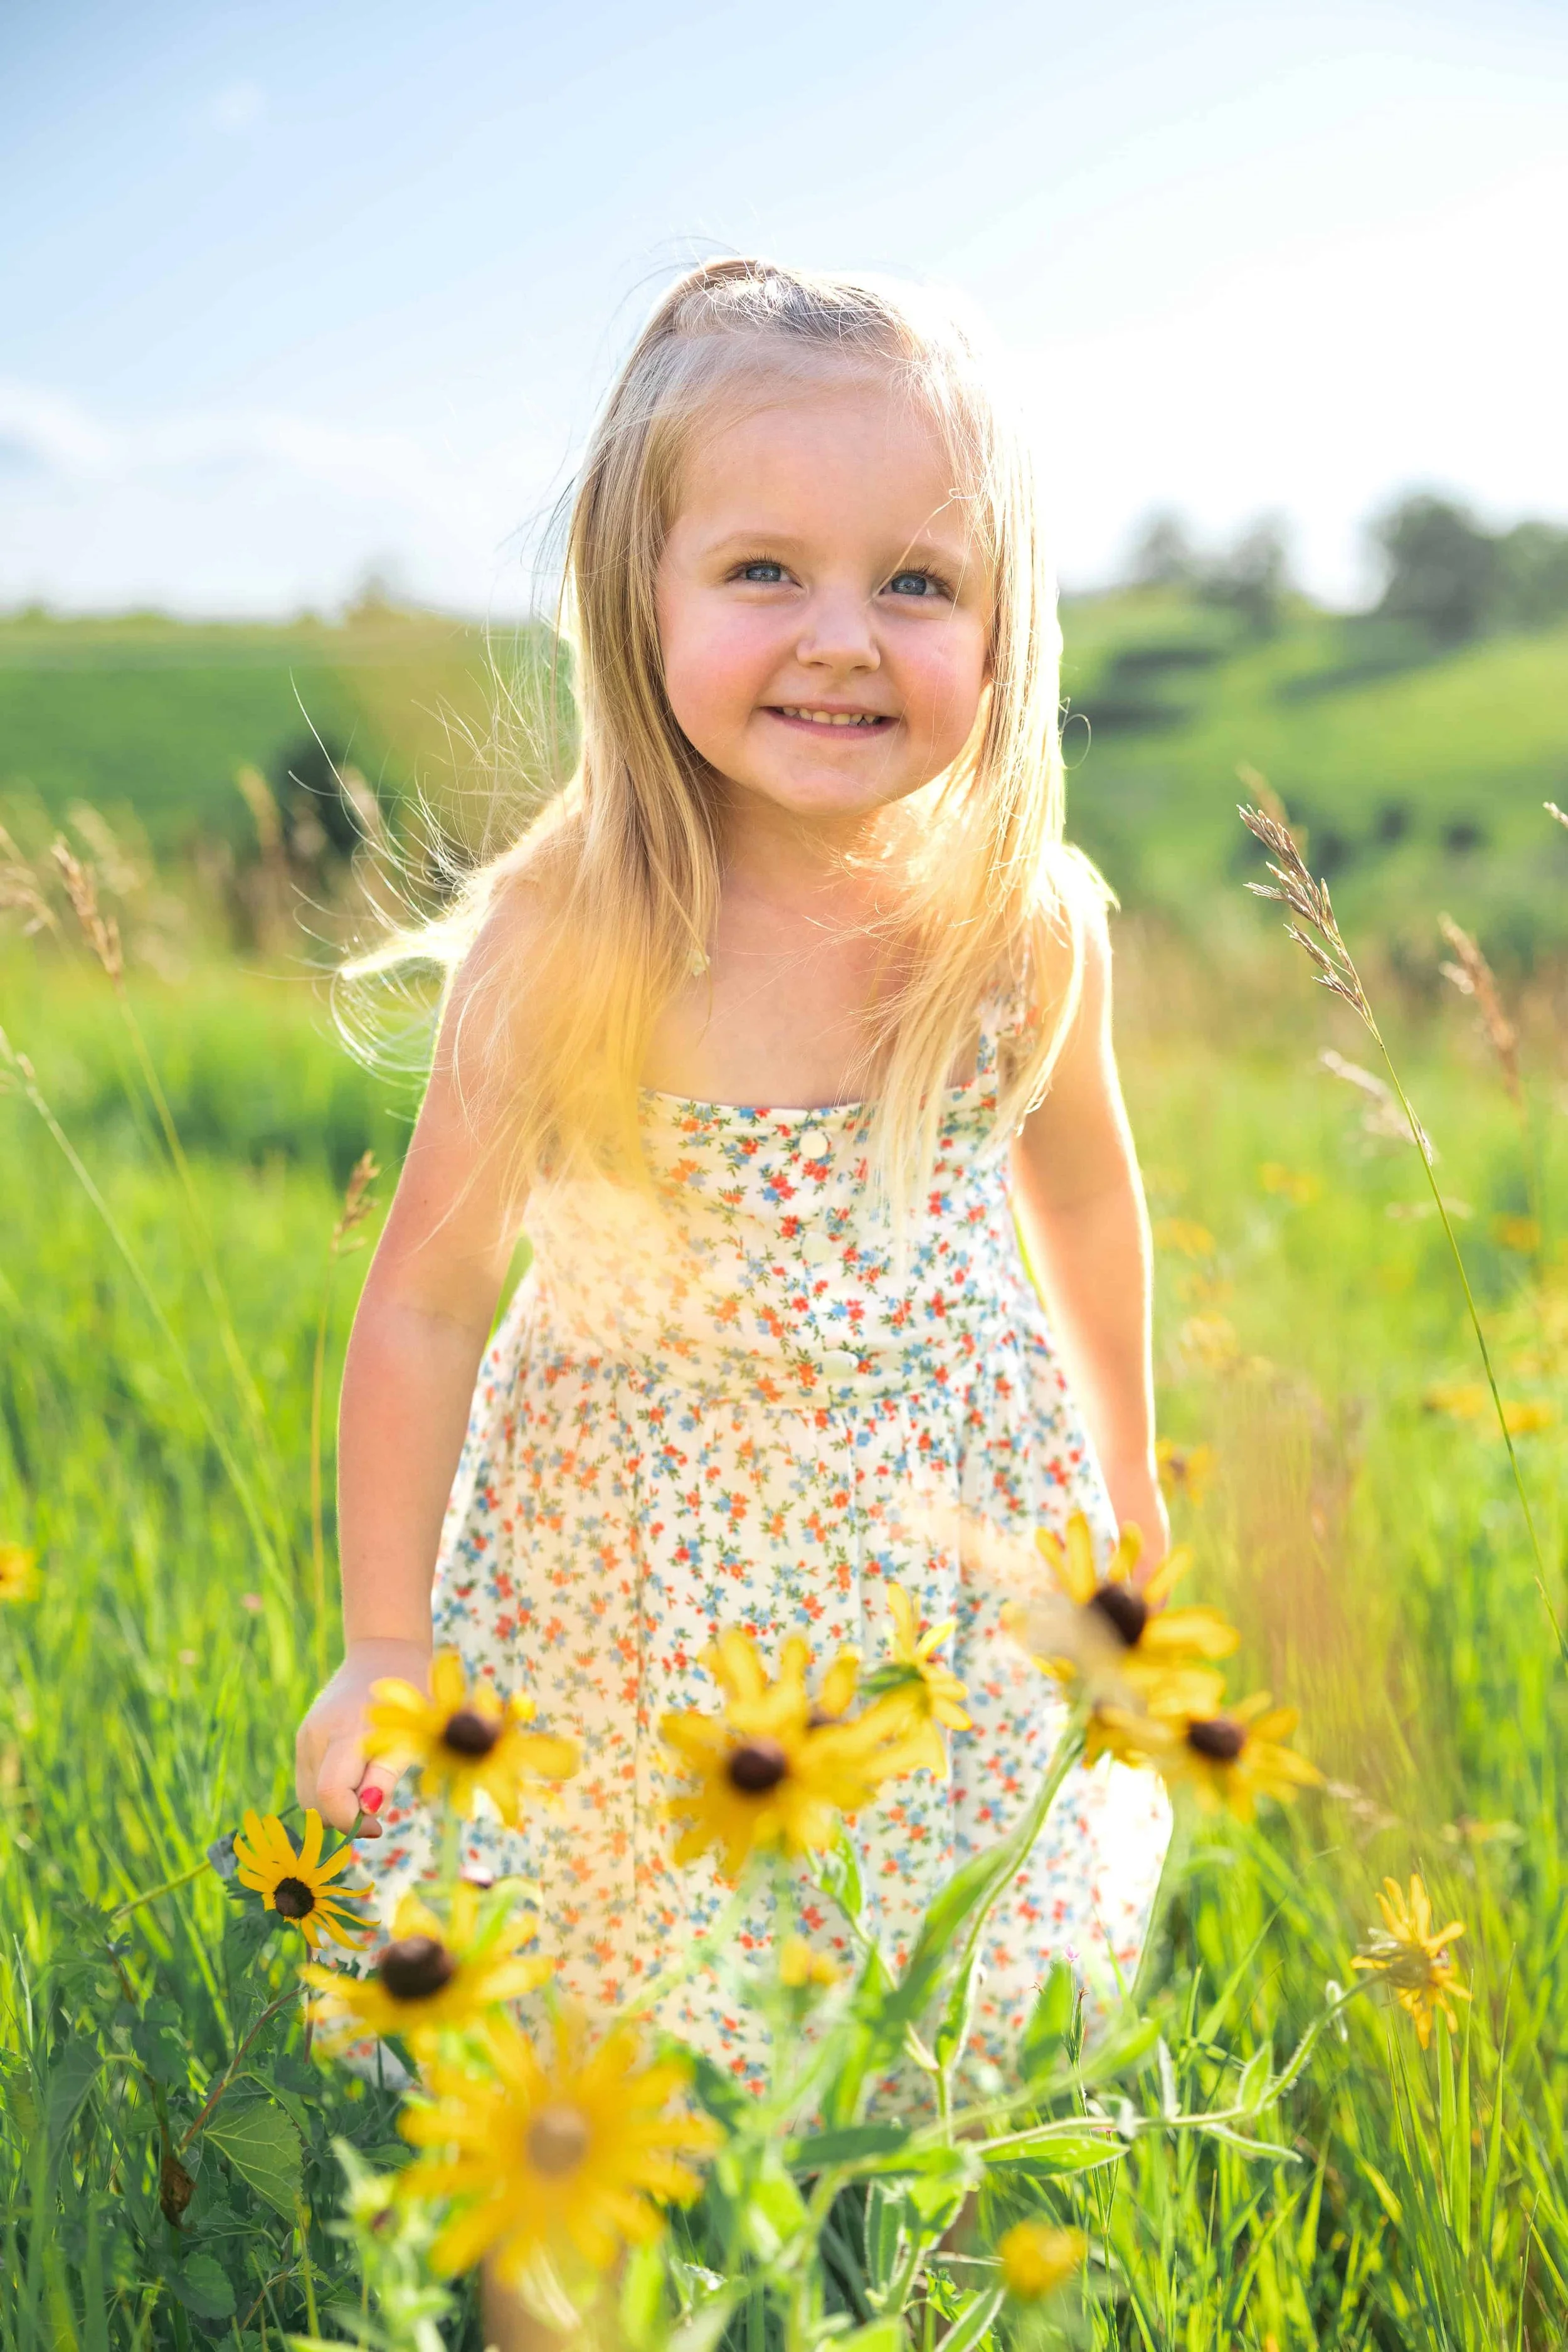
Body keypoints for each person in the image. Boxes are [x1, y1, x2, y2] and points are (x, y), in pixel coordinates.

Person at [295, 255, 1170, 2299]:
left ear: (1002, 619)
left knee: (952, 1994)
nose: (842, 642)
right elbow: (425, 1300)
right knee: (585, 2032)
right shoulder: (570, 937)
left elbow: (1097, 1211)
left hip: (937, 1583)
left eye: (917, 584)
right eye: (764, 571)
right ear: (639, 594)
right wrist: (376, 1643)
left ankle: (920, 2285)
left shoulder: (1019, 924)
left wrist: (1128, 1486)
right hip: (626, 1581)